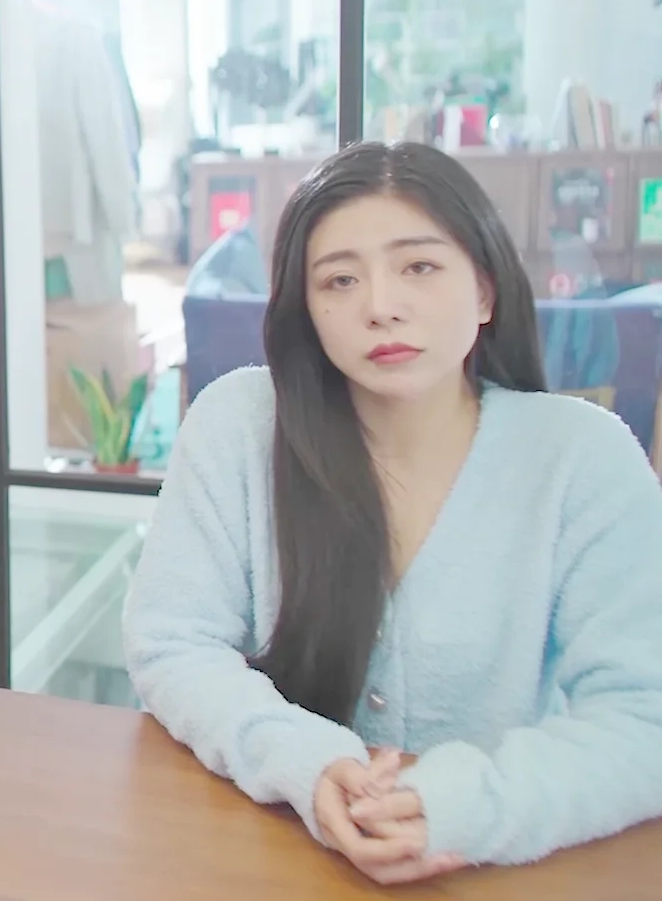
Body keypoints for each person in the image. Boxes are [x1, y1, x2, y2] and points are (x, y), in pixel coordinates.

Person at [122, 141, 662, 884]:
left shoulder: (581, 455)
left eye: (419, 267)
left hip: (493, 869)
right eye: (340, 280)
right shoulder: (238, 423)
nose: (380, 307)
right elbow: (172, 643)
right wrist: (307, 764)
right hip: (271, 853)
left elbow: (643, 715)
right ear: (307, 310)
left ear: (485, 291)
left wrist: (467, 806)